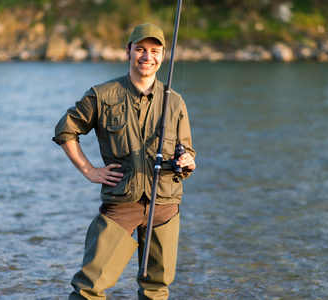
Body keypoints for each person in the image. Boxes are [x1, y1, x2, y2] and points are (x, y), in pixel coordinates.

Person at [52, 23, 196, 300]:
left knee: (157, 289)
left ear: (163, 55)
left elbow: (187, 151)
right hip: (121, 204)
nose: (147, 56)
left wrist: (188, 161)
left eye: (154, 51)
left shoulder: (176, 102)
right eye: (140, 49)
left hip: (165, 204)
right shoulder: (102, 94)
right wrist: (88, 170)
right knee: (89, 288)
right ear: (128, 51)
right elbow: (65, 130)